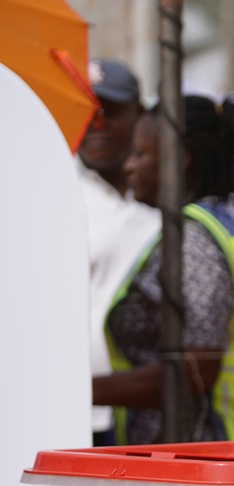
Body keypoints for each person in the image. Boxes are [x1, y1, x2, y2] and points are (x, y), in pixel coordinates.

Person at [94, 95, 234, 444]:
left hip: (200, 451)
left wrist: (82, 390)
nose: (128, 166)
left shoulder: (195, 241)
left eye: (141, 154)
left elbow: (195, 372)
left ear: (180, 158)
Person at [78, 59, 161, 444]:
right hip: (75, 412)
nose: (97, 123)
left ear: (139, 114)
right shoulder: (50, 193)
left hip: (145, 413)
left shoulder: (162, 202)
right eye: (87, 111)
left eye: (110, 112)